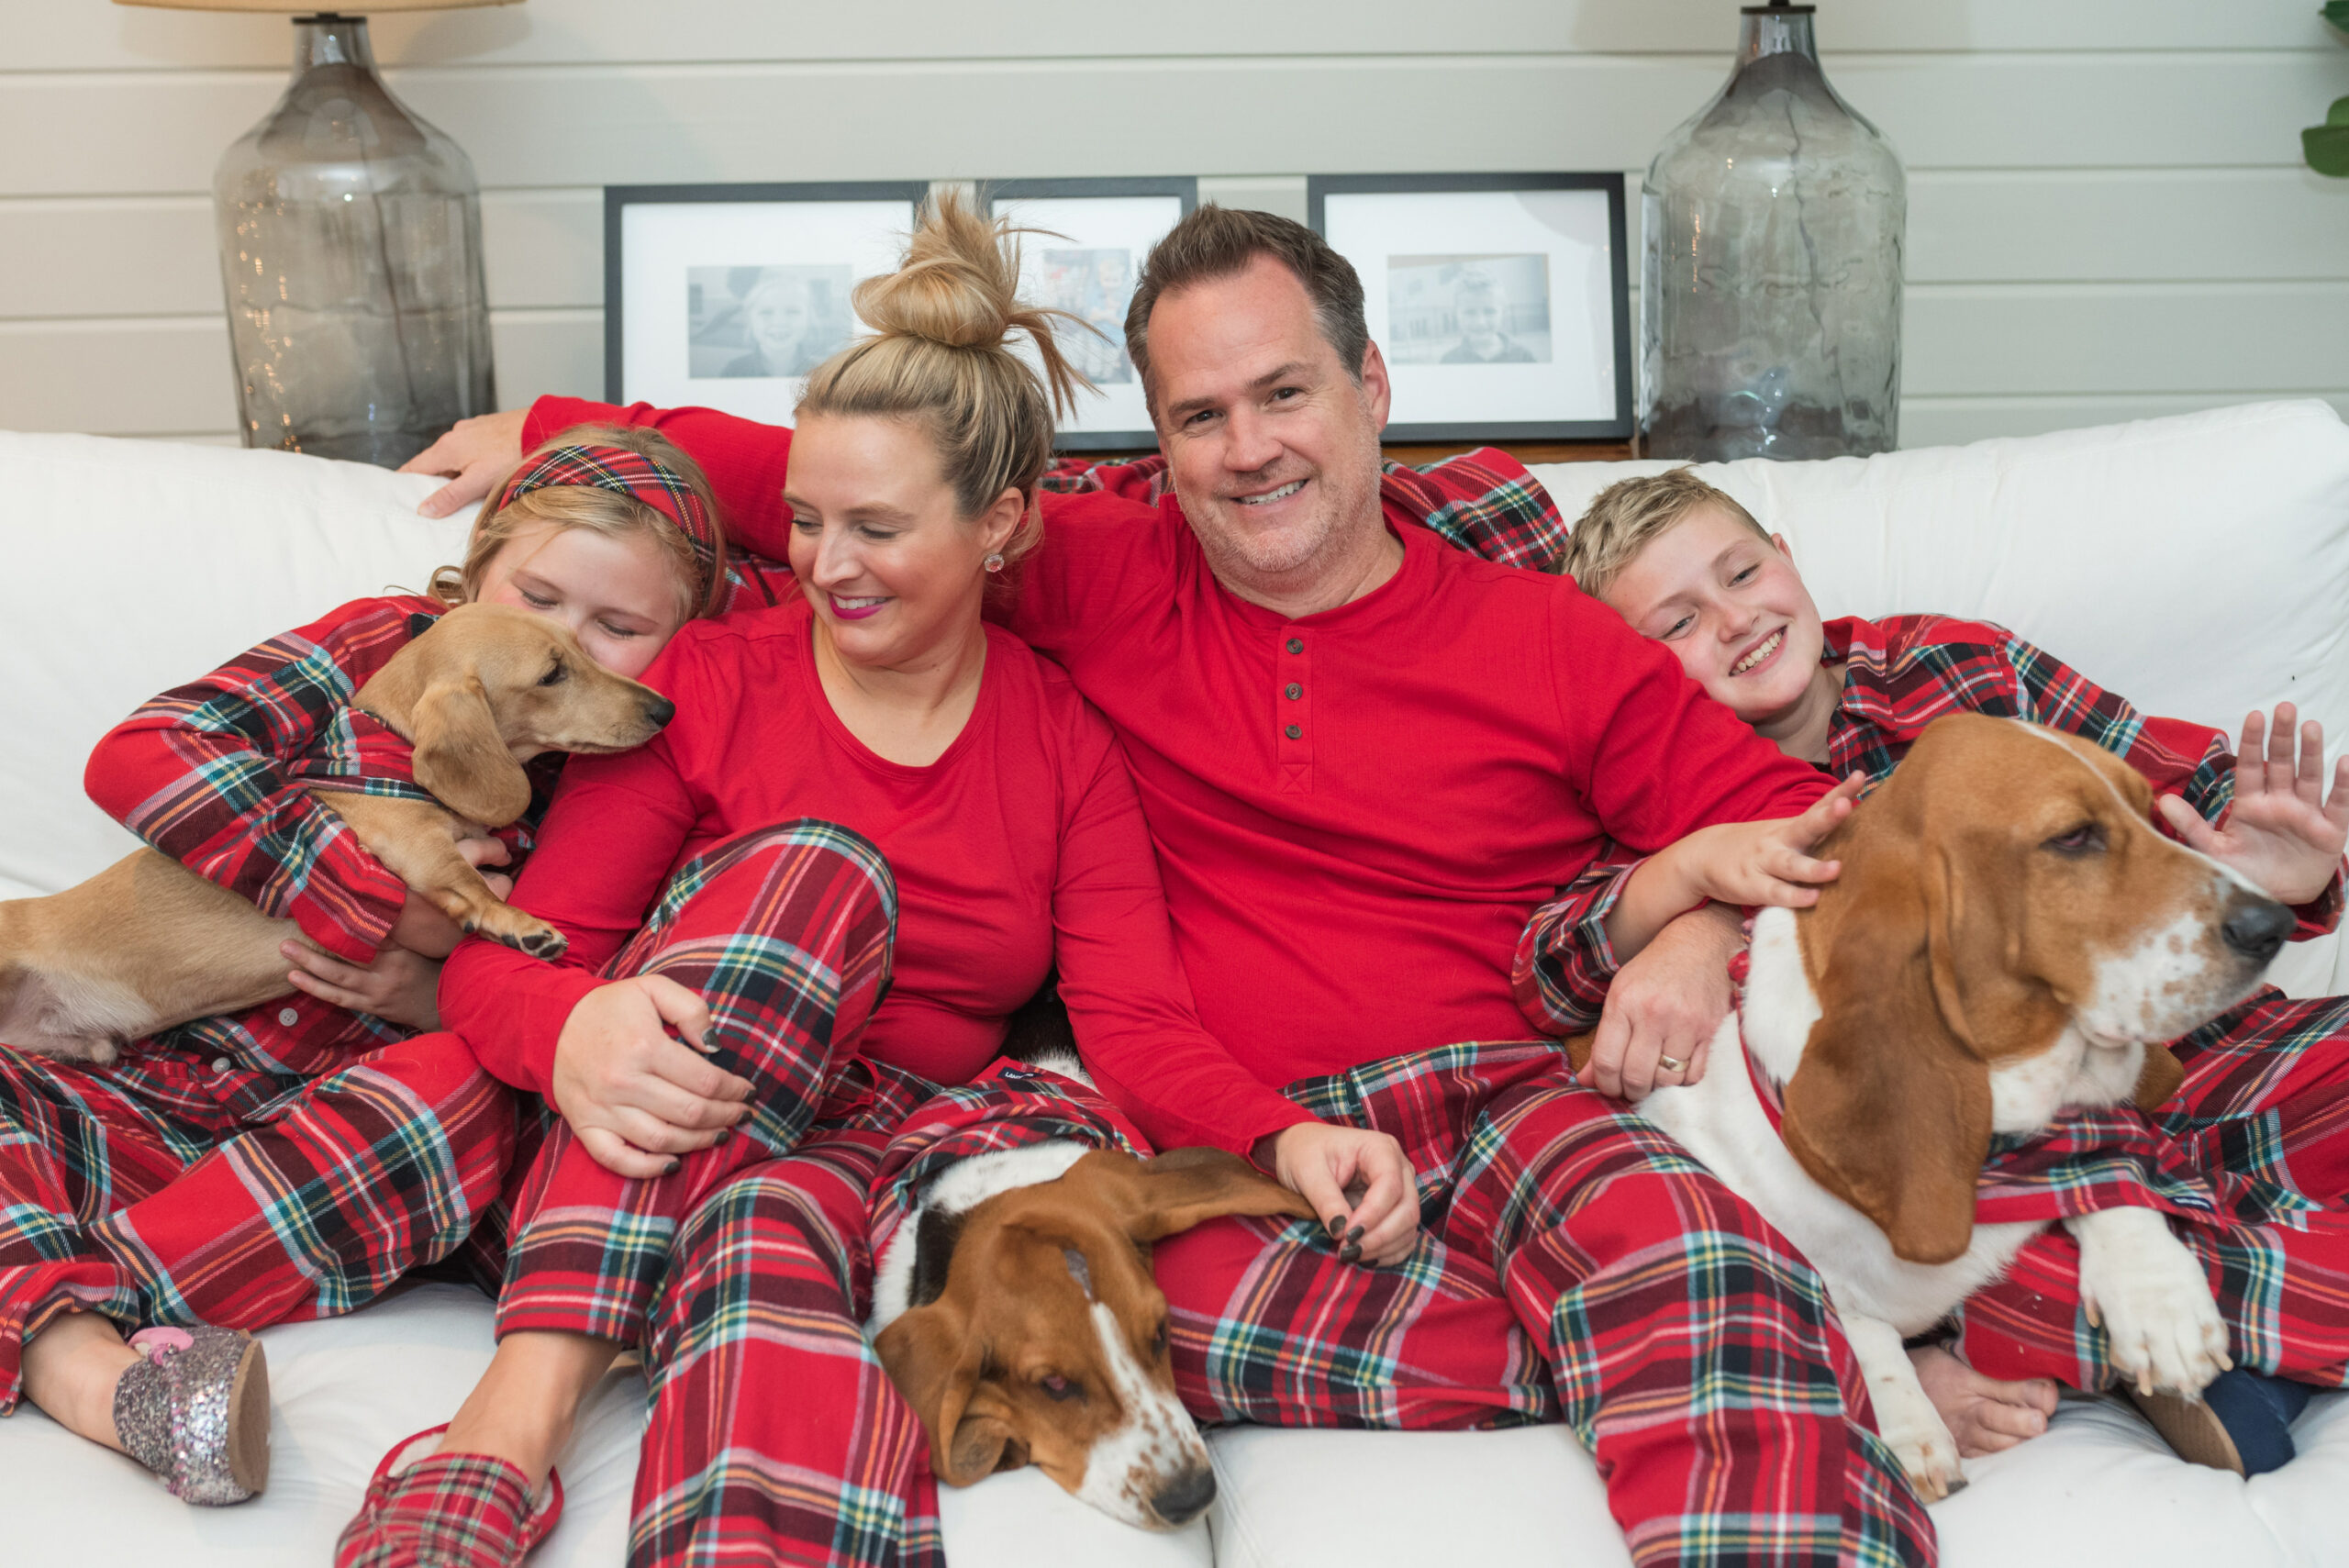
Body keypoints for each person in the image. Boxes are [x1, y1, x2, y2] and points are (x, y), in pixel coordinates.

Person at [401, 205, 1938, 1568]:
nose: (1249, 446)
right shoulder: (1108, 567)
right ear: (1156, 444)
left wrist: (1690, 928)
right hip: (1213, 1144)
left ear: (1372, 388)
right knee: (1037, 1316)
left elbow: (1814, 833)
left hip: (1502, 1093)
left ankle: (1760, 1334)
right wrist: (558, 427)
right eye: (1200, 414)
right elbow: (848, 488)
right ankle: (1617, 1333)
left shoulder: (1551, 640)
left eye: (1285, 393)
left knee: (1694, 1264)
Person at [339, 195, 1434, 1568]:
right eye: (800, 521)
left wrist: (1277, 1137)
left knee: (761, 1224)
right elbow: (507, 958)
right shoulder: (713, 680)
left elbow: (1136, 1026)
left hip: (884, 1153)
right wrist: (570, 1023)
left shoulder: (1063, 742)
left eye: (874, 526)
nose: (824, 565)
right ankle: (513, 1425)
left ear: (1002, 531)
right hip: (652, 1115)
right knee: (810, 876)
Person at [1525, 466, 2349, 1474]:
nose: (1737, 618)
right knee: (1959, 1242)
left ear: (1786, 555)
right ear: (1623, 669)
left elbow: (2178, 797)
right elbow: (1550, 962)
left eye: (1743, 571)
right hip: (1953, 1143)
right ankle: (2078, 1314)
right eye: (1677, 623)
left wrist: (2278, 866)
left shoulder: (1957, 673)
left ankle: (2141, 1318)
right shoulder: (1641, 785)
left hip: (2174, 1048)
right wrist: (1694, 908)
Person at [0, 426, 724, 1508]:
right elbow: (146, 755)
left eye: (619, 627)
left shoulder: (642, 762)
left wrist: (431, 984)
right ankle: (99, 1371)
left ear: (680, 643)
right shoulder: (377, 646)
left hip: (325, 1128)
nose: (567, 639)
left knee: (464, 1097)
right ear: (480, 570)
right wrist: (375, 897)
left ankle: (65, 1305)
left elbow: (572, 998)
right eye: (536, 595)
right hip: (139, 1074)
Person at [723, 271, 831, 379]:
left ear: (809, 319)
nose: (779, 322)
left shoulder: (822, 373)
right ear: (750, 320)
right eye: (766, 312)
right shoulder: (733, 371)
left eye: (792, 311)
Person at [1439, 269, 1536, 364]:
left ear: (1504, 312)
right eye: (1470, 312)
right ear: (1455, 314)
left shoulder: (1523, 357)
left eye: (1490, 312)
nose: (1480, 322)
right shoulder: (1449, 361)